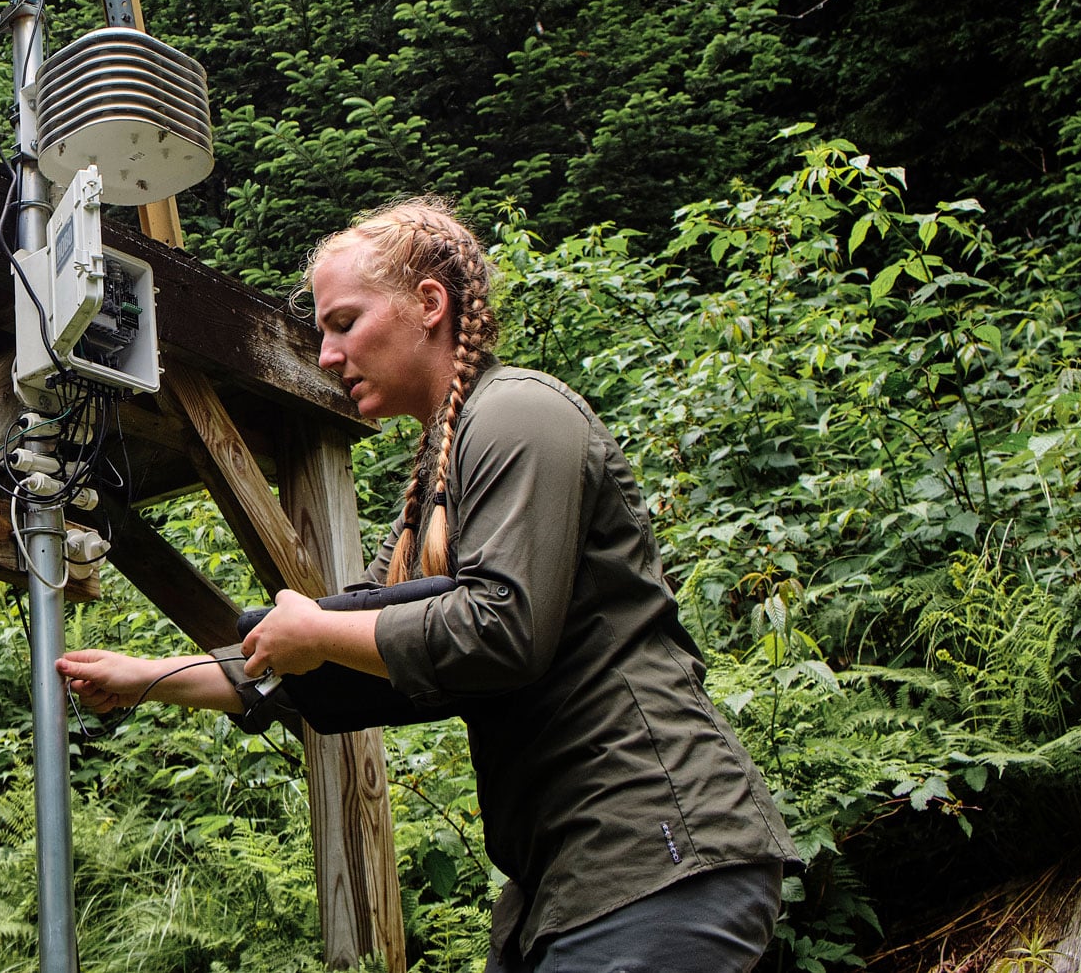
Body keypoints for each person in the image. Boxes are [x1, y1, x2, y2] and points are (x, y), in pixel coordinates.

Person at [58, 196, 797, 973]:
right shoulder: (430, 490)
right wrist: (148, 680)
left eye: (343, 323)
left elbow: (501, 630)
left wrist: (315, 633)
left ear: (429, 305)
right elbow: (337, 655)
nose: (328, 356)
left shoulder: (521, 413)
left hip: (655, 848)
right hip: (575, 881)